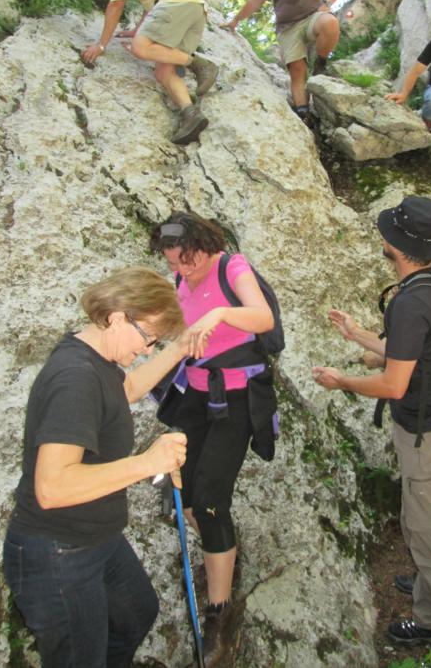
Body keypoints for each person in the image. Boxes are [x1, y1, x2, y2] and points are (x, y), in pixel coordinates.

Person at [2, 266, 212, 668]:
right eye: (148, 337)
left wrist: (178, 349)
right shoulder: (75, 378)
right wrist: (147, 463)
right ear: (117, 317)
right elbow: (52, 487)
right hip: (58, 550)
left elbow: (125, 390)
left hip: (95, 538)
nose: (148, 349)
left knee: (137, 613)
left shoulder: (94, 358)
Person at [312, 195, 431, 656]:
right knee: (422, 528)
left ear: (398, 246)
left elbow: (393, 384)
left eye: (387, 232)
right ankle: (427, 617)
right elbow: (408, 351)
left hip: (429, 438)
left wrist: (341, 381)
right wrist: (357, 334)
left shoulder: (410, 303)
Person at [150, 211, 275, 667]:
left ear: (205, 247)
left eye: (185, 260)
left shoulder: (231, 267)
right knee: (184, 496)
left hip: (236, 399)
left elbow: (261, 317)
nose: (180, 269)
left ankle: (220, 611)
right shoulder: (181, 277)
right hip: (197, 397)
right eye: (172, 262)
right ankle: (221, 548)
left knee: (208, 502)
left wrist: (220, 312)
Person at [82, 0, 218, 146]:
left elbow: (116, 6)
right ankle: (190, 114)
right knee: (163, 71)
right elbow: (152, 8)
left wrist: (100, 45)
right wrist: (136, 30)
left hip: (176, 1)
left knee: (140, 48)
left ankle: (198, 64)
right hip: (193, 7)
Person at [221, 0, 344, 123]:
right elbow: (256, 0)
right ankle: (303, 114)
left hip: (313, 17)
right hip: (288, 28)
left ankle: (320, 63)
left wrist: (328, 3)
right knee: (297, 70)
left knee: (330, 23)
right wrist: (236, 20)